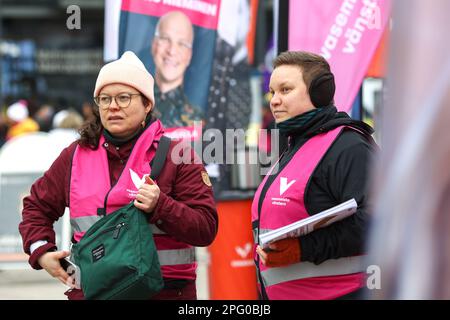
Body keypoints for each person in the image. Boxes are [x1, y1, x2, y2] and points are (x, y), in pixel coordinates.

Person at [18, 51, 218, 300]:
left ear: (147, 104)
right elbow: (36, 207)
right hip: (94, 293)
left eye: (124, 98)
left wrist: (161, 206)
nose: (113, 106)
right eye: (104, 99)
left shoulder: (178, 156)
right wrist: (41, 251)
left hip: (164, 293)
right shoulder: (74, 156)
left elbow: (206, 228)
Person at [252, 51, 377, 300]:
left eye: (285, 90)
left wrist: (302, 249)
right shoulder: (296, 145)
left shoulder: (349, 146)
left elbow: (377, 222)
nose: (274, 101)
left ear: (319, 93)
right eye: (272, 92)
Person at [151, 11, 203, 129]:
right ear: (154, 44)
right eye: (165, 39)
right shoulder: (129, 108)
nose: (172, 51)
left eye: (182, 44)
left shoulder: (198, 120)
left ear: (189, 55)